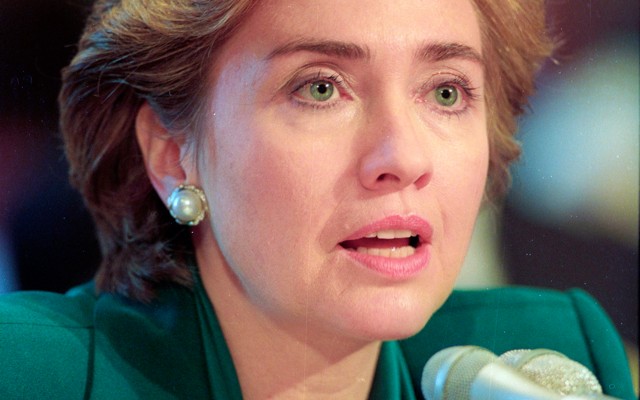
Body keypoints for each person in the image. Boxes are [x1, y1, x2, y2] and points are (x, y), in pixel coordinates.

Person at [0, 0, 634, 398]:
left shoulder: (545, 365)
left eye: (446, 92)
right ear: (172, 153)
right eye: (321, 88)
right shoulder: (26, 371)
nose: (403, 158)